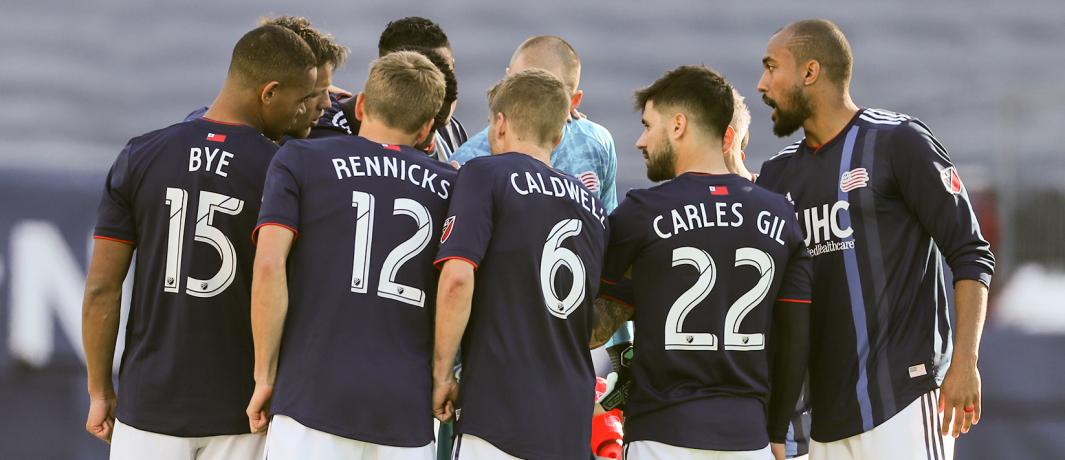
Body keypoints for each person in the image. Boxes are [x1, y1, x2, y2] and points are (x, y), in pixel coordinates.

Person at [752, 18, 995, 460]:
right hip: (822, 420)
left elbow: (971, 252)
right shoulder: (776, 175)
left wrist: (965, 361)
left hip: (904, 400)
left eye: (772, 67)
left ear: (810, 72)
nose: (761, 84)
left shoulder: (898, 142)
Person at [81, 24, 318, 459]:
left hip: (149, 404)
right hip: (243, 410)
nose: (307, 111)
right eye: (301, 99)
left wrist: (99, 391)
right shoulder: (285, 170)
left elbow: (101, 288)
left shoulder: (141, 154)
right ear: (269, 92)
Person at [589, 65, 811, 460]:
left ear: (678, 125)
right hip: (748, 440)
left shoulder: (641, 213)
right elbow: (795, 338)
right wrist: (777, 431)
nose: (640, 141)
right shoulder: (782, 216)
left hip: (661, 438)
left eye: (648, 125)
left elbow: (588, 319)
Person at [245, 51, 451, 459]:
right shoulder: (454, 186)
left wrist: (264, 376)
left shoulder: (301, 158)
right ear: (428, 127)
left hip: (310, 398)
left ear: (360, 106)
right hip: (404, 411)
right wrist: (442, 377)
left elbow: (269, 266)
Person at [432, 69, 608, 460]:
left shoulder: (485, 174)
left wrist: (442, 375)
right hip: (569, 419)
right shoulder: (594, 208)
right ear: (558, 138)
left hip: (499, 411)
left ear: (499, 123)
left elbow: (457, 278)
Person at [450, 35, 630, 363]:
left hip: (567, 341)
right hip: (494, 346)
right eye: (518, 83)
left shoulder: (595, 144)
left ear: (573, 101)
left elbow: (612, 252)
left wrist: (621, 351)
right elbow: (456, 270)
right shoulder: (471, 159)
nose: (529, 98)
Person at [320, 16, 468, 161]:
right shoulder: (324, 133)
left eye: (446, 73)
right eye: (412, 78)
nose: (432, 88)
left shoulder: (450, 129)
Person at [185, 16, 349, 143]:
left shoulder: (343, 118)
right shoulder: (203, 134)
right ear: (270, 92)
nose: (327, 104)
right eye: (310, 95)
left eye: (326, 90)